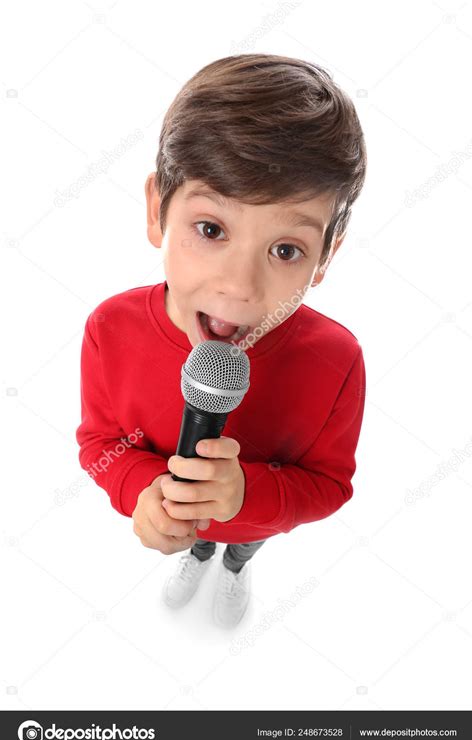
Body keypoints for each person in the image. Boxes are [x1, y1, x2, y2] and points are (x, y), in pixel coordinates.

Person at [76, 53, 367, 629]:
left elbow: (329, 485)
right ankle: (201, 552)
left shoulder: (337, 361)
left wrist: (246, 499)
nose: (239, 286)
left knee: (241, 544)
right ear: (159, 209)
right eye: (211, 230)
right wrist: (143, 488)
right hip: (179, 519)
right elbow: (99, 443)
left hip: (256, 522)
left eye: (286, 250)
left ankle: (235, 563)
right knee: (200, 542)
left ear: (326, 256)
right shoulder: (110, 327)